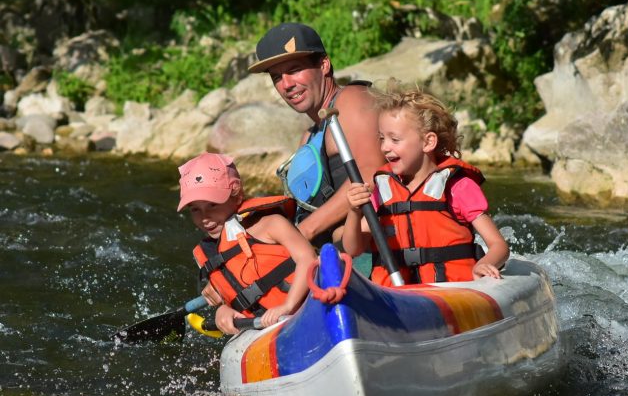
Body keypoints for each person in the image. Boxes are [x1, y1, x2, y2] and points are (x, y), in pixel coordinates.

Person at [342, 83, 510, 286]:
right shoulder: (383, 190)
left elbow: (499, 245)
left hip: (451, 292)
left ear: (428, 142)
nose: (385, 147)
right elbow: (353, 249)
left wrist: (484, 264)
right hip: (398, 294)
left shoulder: (457, 186)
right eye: (382, 138)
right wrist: (353, 212)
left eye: (395, 139)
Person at [248, 22, 384, 247]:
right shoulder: (309, 136)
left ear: (323, 65)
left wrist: (303, 232)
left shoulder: (352, 100)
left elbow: (372, 173)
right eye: (276, 77)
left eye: (293, 70)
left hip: (370, 253)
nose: (286, 85)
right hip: (330, 254)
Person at [177, 152, 316, 335]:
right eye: (195, 209)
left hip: (309, 307)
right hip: (265, 330)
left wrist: (288, 306)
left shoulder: (270, 223)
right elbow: (232, 297)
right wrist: (223, 311)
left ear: (236, 195)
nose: (205, 218)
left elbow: (308, 259)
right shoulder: (210, 255)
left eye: (213, 205)